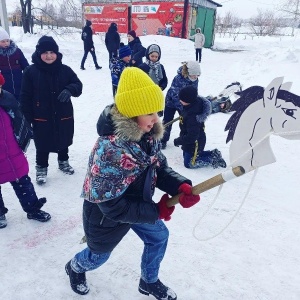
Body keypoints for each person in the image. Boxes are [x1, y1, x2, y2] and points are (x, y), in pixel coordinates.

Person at [65, 67, 200, 299]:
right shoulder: (110, 150)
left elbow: (158, 166)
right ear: (131, 112)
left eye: (156, 112)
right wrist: (155, 210)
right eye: (149, 113)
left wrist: (180, 185)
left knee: (159, 236)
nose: (156, 119)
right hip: (106, 216)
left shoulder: (149, 134)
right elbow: (112, 206)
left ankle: (149, 281)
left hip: (138, 206)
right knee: (98, 256)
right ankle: (75, 266)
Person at [20, 36, 83, 185]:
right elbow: (25, 97)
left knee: (63, 139)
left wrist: (69, 89)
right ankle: (41, 168)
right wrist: (27, 119)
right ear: (38, 53)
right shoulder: (30, 72)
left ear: (57, 53)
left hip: (63, 114)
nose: (49, 55)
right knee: (42, 143)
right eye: (45, 52)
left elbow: (78, 85)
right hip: (41, 116)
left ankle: (63, 162)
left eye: (52, 52)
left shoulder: (65, 70)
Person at [0, 73, 51, 229]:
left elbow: (19, 121)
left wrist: (24, 138)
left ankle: (32, 208)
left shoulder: (7, 101)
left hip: (13, 153)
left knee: (23, 181)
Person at [173, 86, 227, 169]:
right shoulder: (191, 105)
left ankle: (213, 158)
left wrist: (178, 141)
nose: (180, 100)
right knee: (186, 155)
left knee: (189, 163)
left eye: (182, 99)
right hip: (189, 138)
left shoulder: (193, 116)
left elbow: (192, 136)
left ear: (188, 101)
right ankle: (211, 154)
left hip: (195, 142)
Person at [161, 61, 200, 149]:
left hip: (184, 103)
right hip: (171, 102)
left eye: (197, 75)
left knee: (185, 121)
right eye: (194, 74)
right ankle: (163, 140)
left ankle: (184, 139)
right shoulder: (178, 78)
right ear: (188, 72)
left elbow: (194, 92)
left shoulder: (195, 80)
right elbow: (174, 95)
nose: (195, 77)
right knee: (167, 120)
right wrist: (183, 107)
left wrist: (192, 105)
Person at [0, 27, 29, 101]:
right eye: (3, 41)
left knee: (20, 100)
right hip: (5, 84)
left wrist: (28, 75)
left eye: (7, 41)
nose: (6, 43)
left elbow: (25, 65)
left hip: (19, 81)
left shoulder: (17, 51)